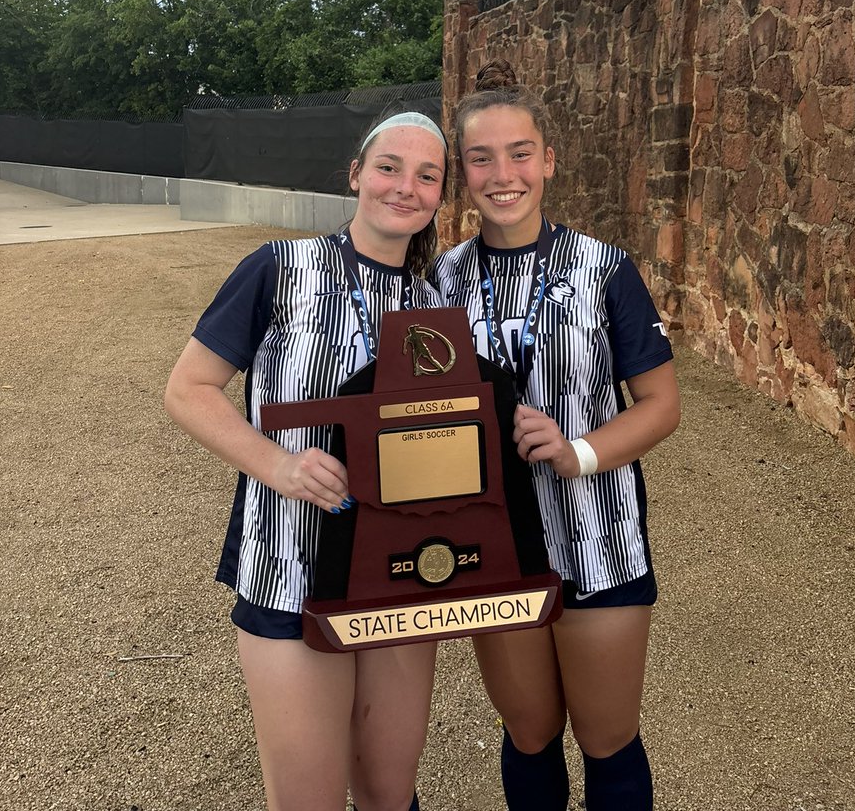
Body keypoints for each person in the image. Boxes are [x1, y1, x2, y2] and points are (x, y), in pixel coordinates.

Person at [165, 111, 448, 811]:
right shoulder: (277, 269)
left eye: (427, 175)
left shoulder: (438, 302)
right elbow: (188, 389)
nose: (404, 186)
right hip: (289, 565)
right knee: (308, 798)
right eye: (388, 166)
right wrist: (279, 466)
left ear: (442, 195)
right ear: (356, 174)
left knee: (389, 791)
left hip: (399, 578)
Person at [429, 62, 681, 811]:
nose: (502, 174)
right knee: (531, 732)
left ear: (548, 161)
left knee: (608, 739)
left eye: (520, 153)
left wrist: (578, 451)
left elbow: (660, 405)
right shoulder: (441, 281)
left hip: (597, 540)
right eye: (481, 157)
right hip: (494, 549)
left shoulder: (605, 270)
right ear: (461, 172)